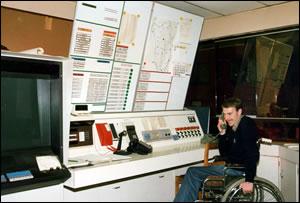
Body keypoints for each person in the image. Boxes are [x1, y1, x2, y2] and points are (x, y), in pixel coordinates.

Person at [174, 97, 259, 202]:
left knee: (192, 173)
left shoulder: (246, 124)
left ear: (239, 111)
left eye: (230, 114)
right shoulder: (233, 127)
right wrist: (223, 133)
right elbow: (224, 153)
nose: (227, 118)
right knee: (192, 172)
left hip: (235, 170)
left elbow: (252, 154)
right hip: (230, 167)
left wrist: (249, 180)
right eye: (225, 114)